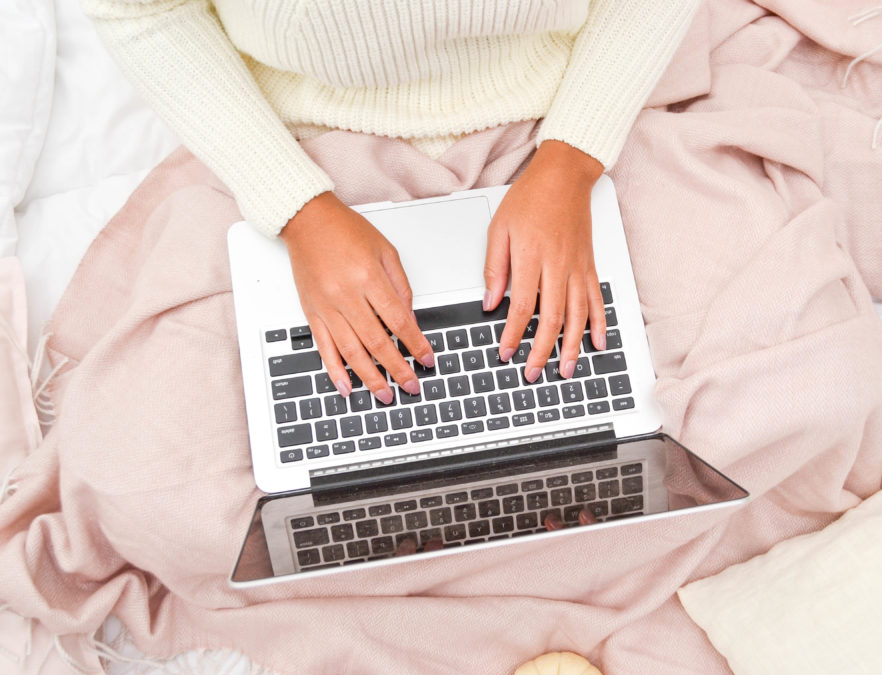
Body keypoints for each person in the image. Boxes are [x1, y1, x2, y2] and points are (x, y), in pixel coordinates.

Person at [82, 0, 703, 404]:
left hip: (570, 105)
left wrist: (571, 162)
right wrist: (298, 210)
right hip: (301, 143)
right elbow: (142, 13)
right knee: (165, 489)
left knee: (709, 406)